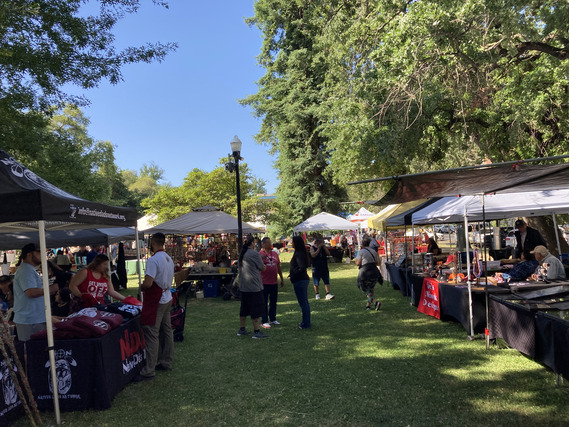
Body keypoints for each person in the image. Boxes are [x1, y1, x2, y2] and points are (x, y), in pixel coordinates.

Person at [135, 232, 175, 382]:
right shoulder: (168, 258)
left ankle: (149, 369)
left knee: (152, 333)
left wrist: (142, 287)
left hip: (157, 299)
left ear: (152, 242)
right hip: (167, 297)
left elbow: (148, 283)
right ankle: (166, 361)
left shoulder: (153, 260)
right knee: (167, 331)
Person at [13, 243, 57, 341]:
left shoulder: (28, 269)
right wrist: (50, 289)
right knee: (32, 351)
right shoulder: (26, 270)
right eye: (39, 252)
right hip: (30, 320)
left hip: (33, 318)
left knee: (37, 351)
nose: (42, 255)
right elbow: (31, 292)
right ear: (29, 254)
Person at [237, 234, 268, 339]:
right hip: (254, 285)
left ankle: (242, 329)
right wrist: (265, 264)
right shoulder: (254, 253)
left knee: (244, 308)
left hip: (244, 285)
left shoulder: (242, 253)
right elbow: (262, 267)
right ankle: (256, 331)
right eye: (255, 242)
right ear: (252, 243)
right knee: (256, 308)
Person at [259, 237, 284, 329]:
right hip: (264, 282)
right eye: (268, 243)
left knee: (273, 301)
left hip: (274, 282)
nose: (271, 244)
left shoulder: (275, 254)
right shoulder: (260, 255)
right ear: (263, 244)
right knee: (264, 302)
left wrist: (281, 278)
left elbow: (278, 266)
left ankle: (273, 318)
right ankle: (264, 320)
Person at [355, 235, 383, 310]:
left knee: (365, 289)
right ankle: (368, 306)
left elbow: (357, 263)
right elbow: (378, 263)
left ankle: (375, 302)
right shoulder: (374, 251)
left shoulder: (361, 252)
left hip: (365, 272)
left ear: (362, 244)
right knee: (371, 289)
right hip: (374, 271)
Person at [290, 236, 311, 329]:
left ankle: (306, 323)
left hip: (300, 280)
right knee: (304, 302)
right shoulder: (301, 253)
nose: (291, 243)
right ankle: (305, 321)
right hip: (302, 279)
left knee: (303, 302)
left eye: (293, 241)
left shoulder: (298, 254)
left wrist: (294, 273)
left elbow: (301, 267)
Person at [310, 234, 335, 300]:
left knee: (326, 280)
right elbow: (313, 255)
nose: (322, 242)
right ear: (317, 241)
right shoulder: (312, 247)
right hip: (316, 267)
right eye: (321, 241)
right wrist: (318, 248)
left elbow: (328, 254)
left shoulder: (323, 247)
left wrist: (324, 247)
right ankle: (317, 294)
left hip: (324, 266)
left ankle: (328, 293)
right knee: (316, 281)